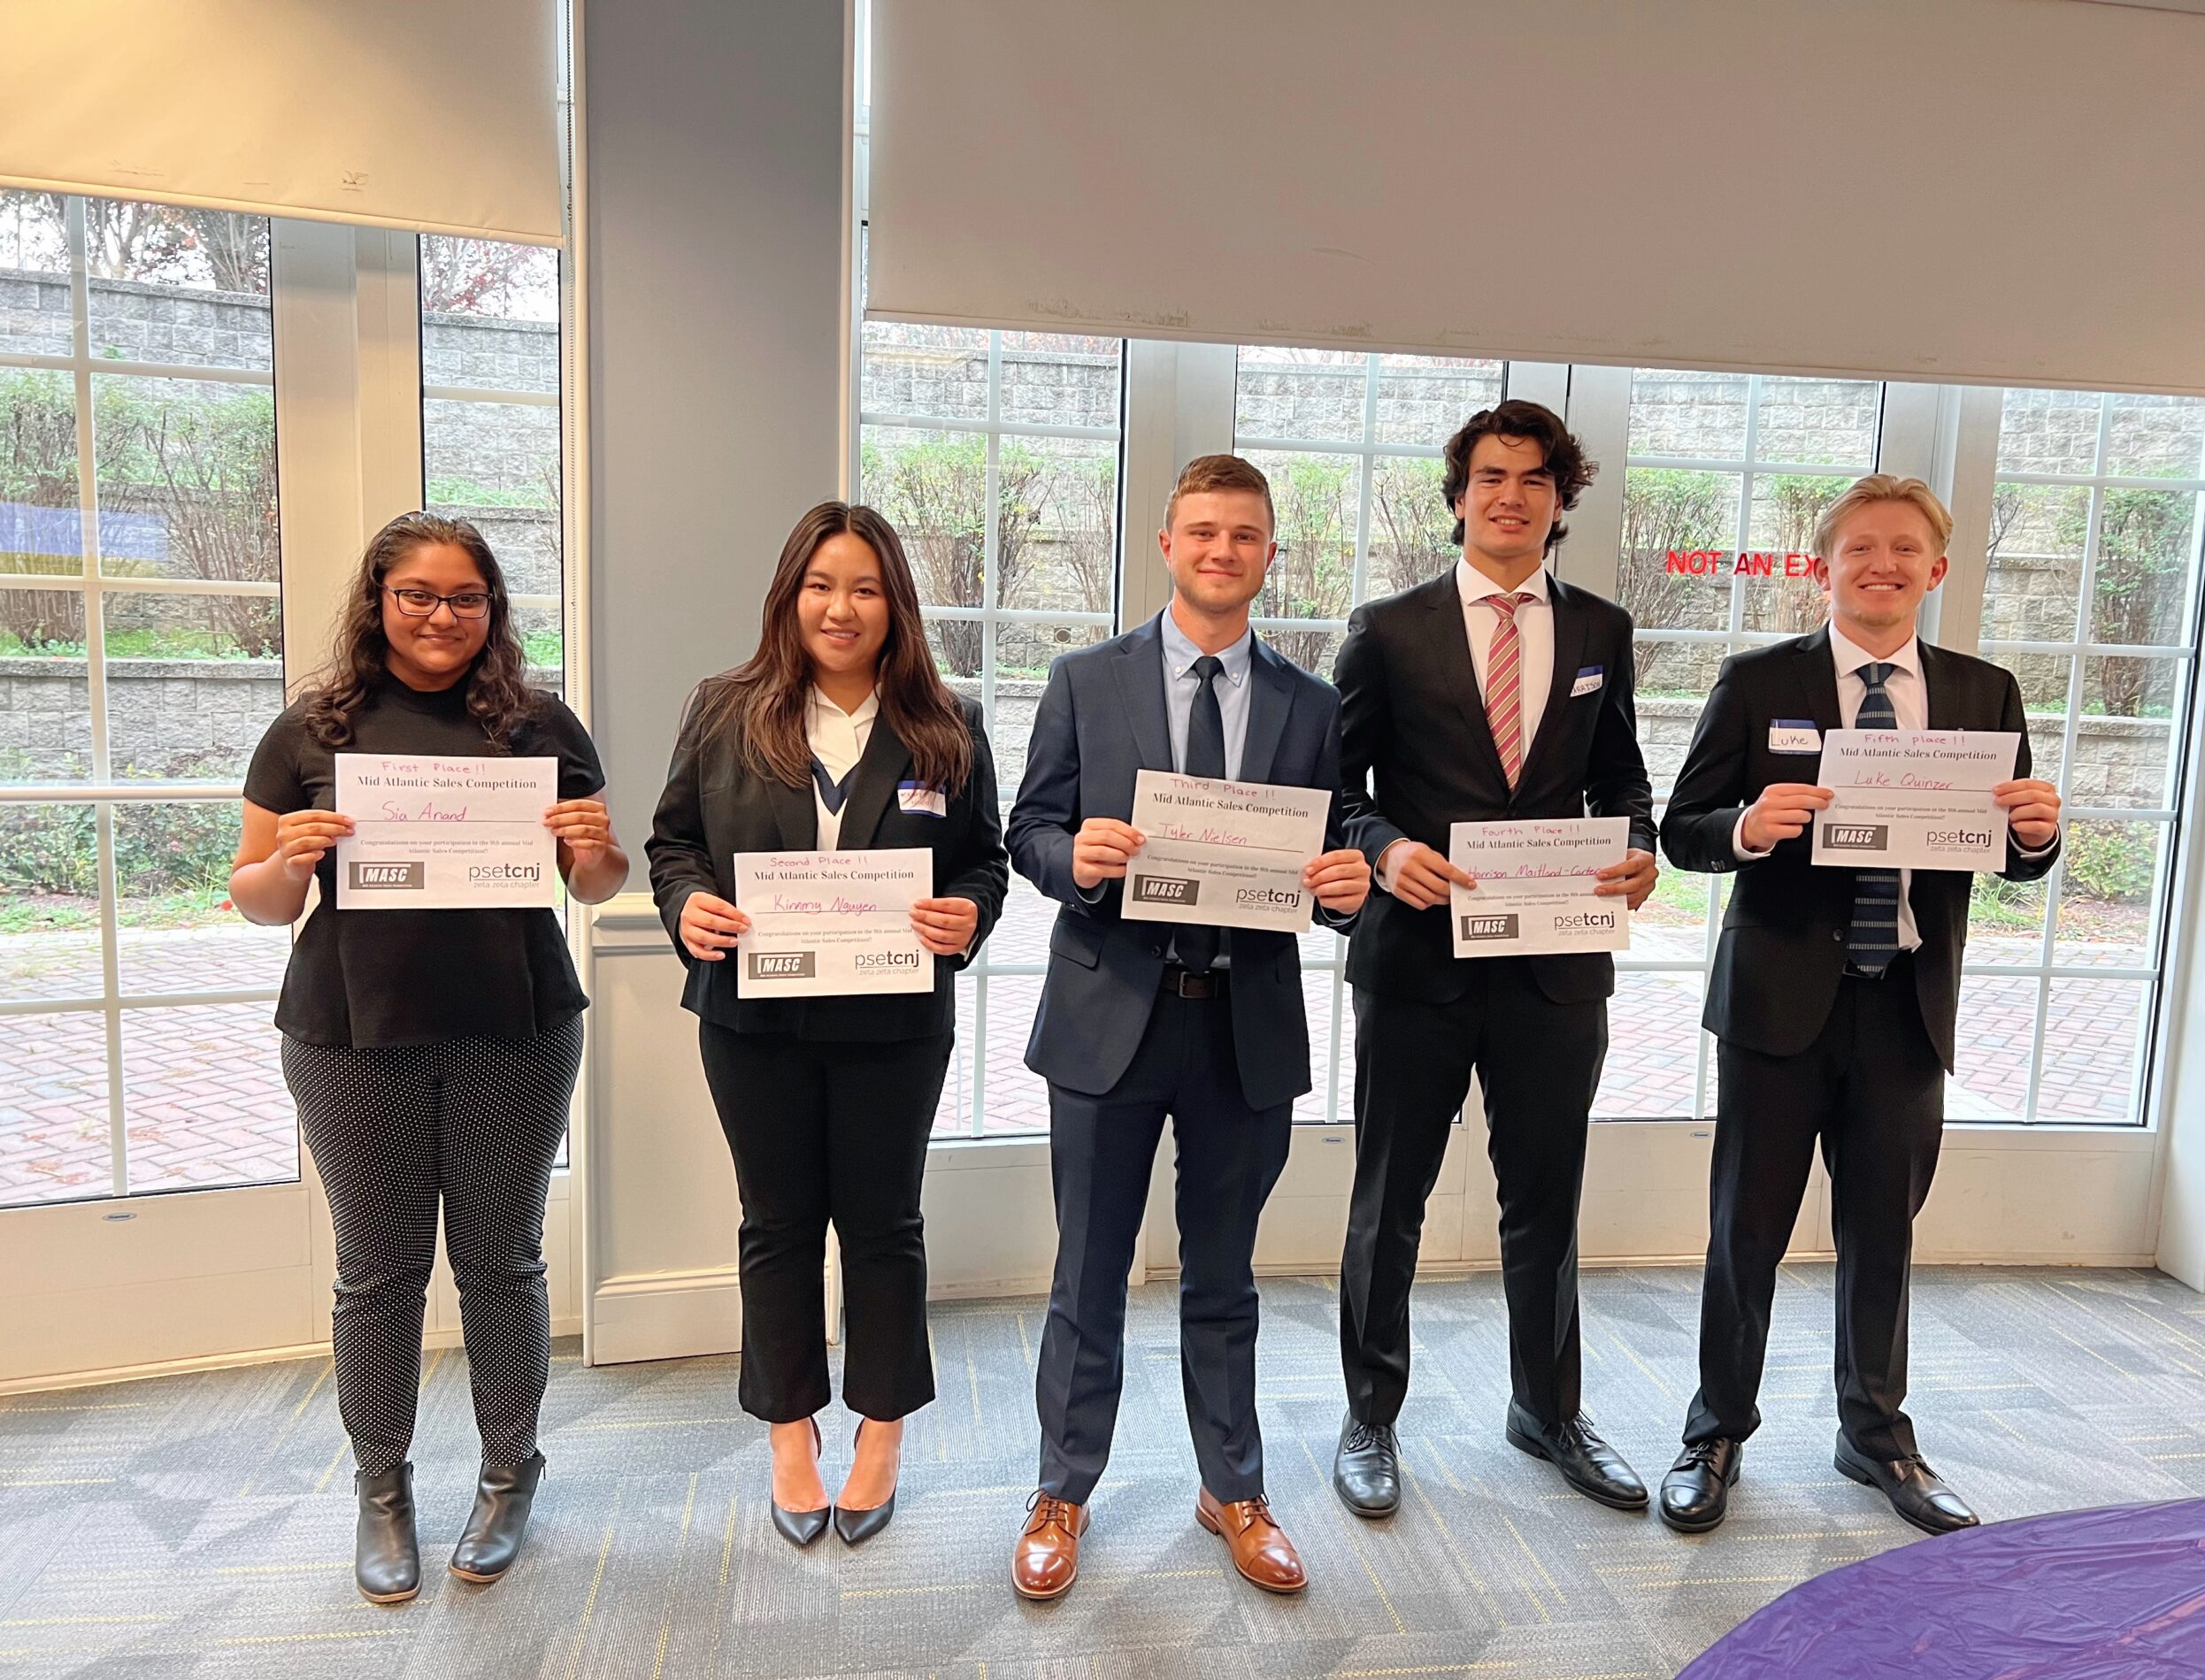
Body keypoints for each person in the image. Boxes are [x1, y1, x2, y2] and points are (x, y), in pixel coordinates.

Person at [230, 513, 627, 1605]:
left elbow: (595, 886)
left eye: (466, 597)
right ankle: (382, 1487)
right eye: (418, 595)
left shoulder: (541, 724)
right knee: (378, 1271)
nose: (442, 616)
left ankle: (508, 1473)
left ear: (492, 609)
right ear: (379, 600)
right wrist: (290, 861)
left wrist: (593, 851)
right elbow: (256, 897)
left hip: (516, 1026)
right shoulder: (311, 728)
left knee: (502, 1262)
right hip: (350, 1034)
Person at [1656, 473, 2062, 1537]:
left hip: (1904, 1008)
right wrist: (1746, 825)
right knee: (1745, 1232)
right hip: (1777, 1003)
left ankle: (1876, 1435)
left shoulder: (1983, 692)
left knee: (1882, 1232)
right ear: (1822, 567)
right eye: (1859, 549)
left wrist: (2037, 836)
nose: (1881, 566)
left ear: (1936, 570)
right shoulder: (1759, 682)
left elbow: (2013, 850)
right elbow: (1683, 828)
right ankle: (1714, 1431)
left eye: (1903, 550)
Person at [1005, 455, 1371, 1600]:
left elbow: (1335, 843)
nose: (1223, 550)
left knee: (1225, 1275)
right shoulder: (1084, 679)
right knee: (1088, 1275)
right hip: (1108, 1018)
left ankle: (1233, 1488)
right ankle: (1062, 1491)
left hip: (1242, 1029)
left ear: (1269, 554)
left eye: (1245, 534)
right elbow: (1029, 828)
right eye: (1203, 531)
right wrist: (1075, 858)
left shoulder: (1313, 705)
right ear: (1166, 544)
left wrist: (1348, 886)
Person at [647, 502, 1006, 1549]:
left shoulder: (948, 723)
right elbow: (673, 845)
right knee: (777, 1224)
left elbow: (983, 860)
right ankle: (790, 1432)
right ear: (789, 596)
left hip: (896, 1023)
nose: (839, 608)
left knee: (885, 1226)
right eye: (819, 586)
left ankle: (881, 1433)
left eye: (863, 588)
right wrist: (686, 905)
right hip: (753, 1018)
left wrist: (968, 910)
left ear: (894, 604)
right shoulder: (724, 710)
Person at [1330, 400, 1660, 1521]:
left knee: (1546, 1200)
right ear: (1458, 495)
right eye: (1489, 477)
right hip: (1416, 961)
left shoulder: (1602, 629)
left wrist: (1639, 847)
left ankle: (1548, 1410)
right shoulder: (1387, 629)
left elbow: (1621, 779)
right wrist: (1384, 850)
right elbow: (1336, 790)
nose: (1510, 496)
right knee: (1390, 1201)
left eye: (1532, 479)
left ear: (1560, 500)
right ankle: (1369, 1415)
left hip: (1555, 966)